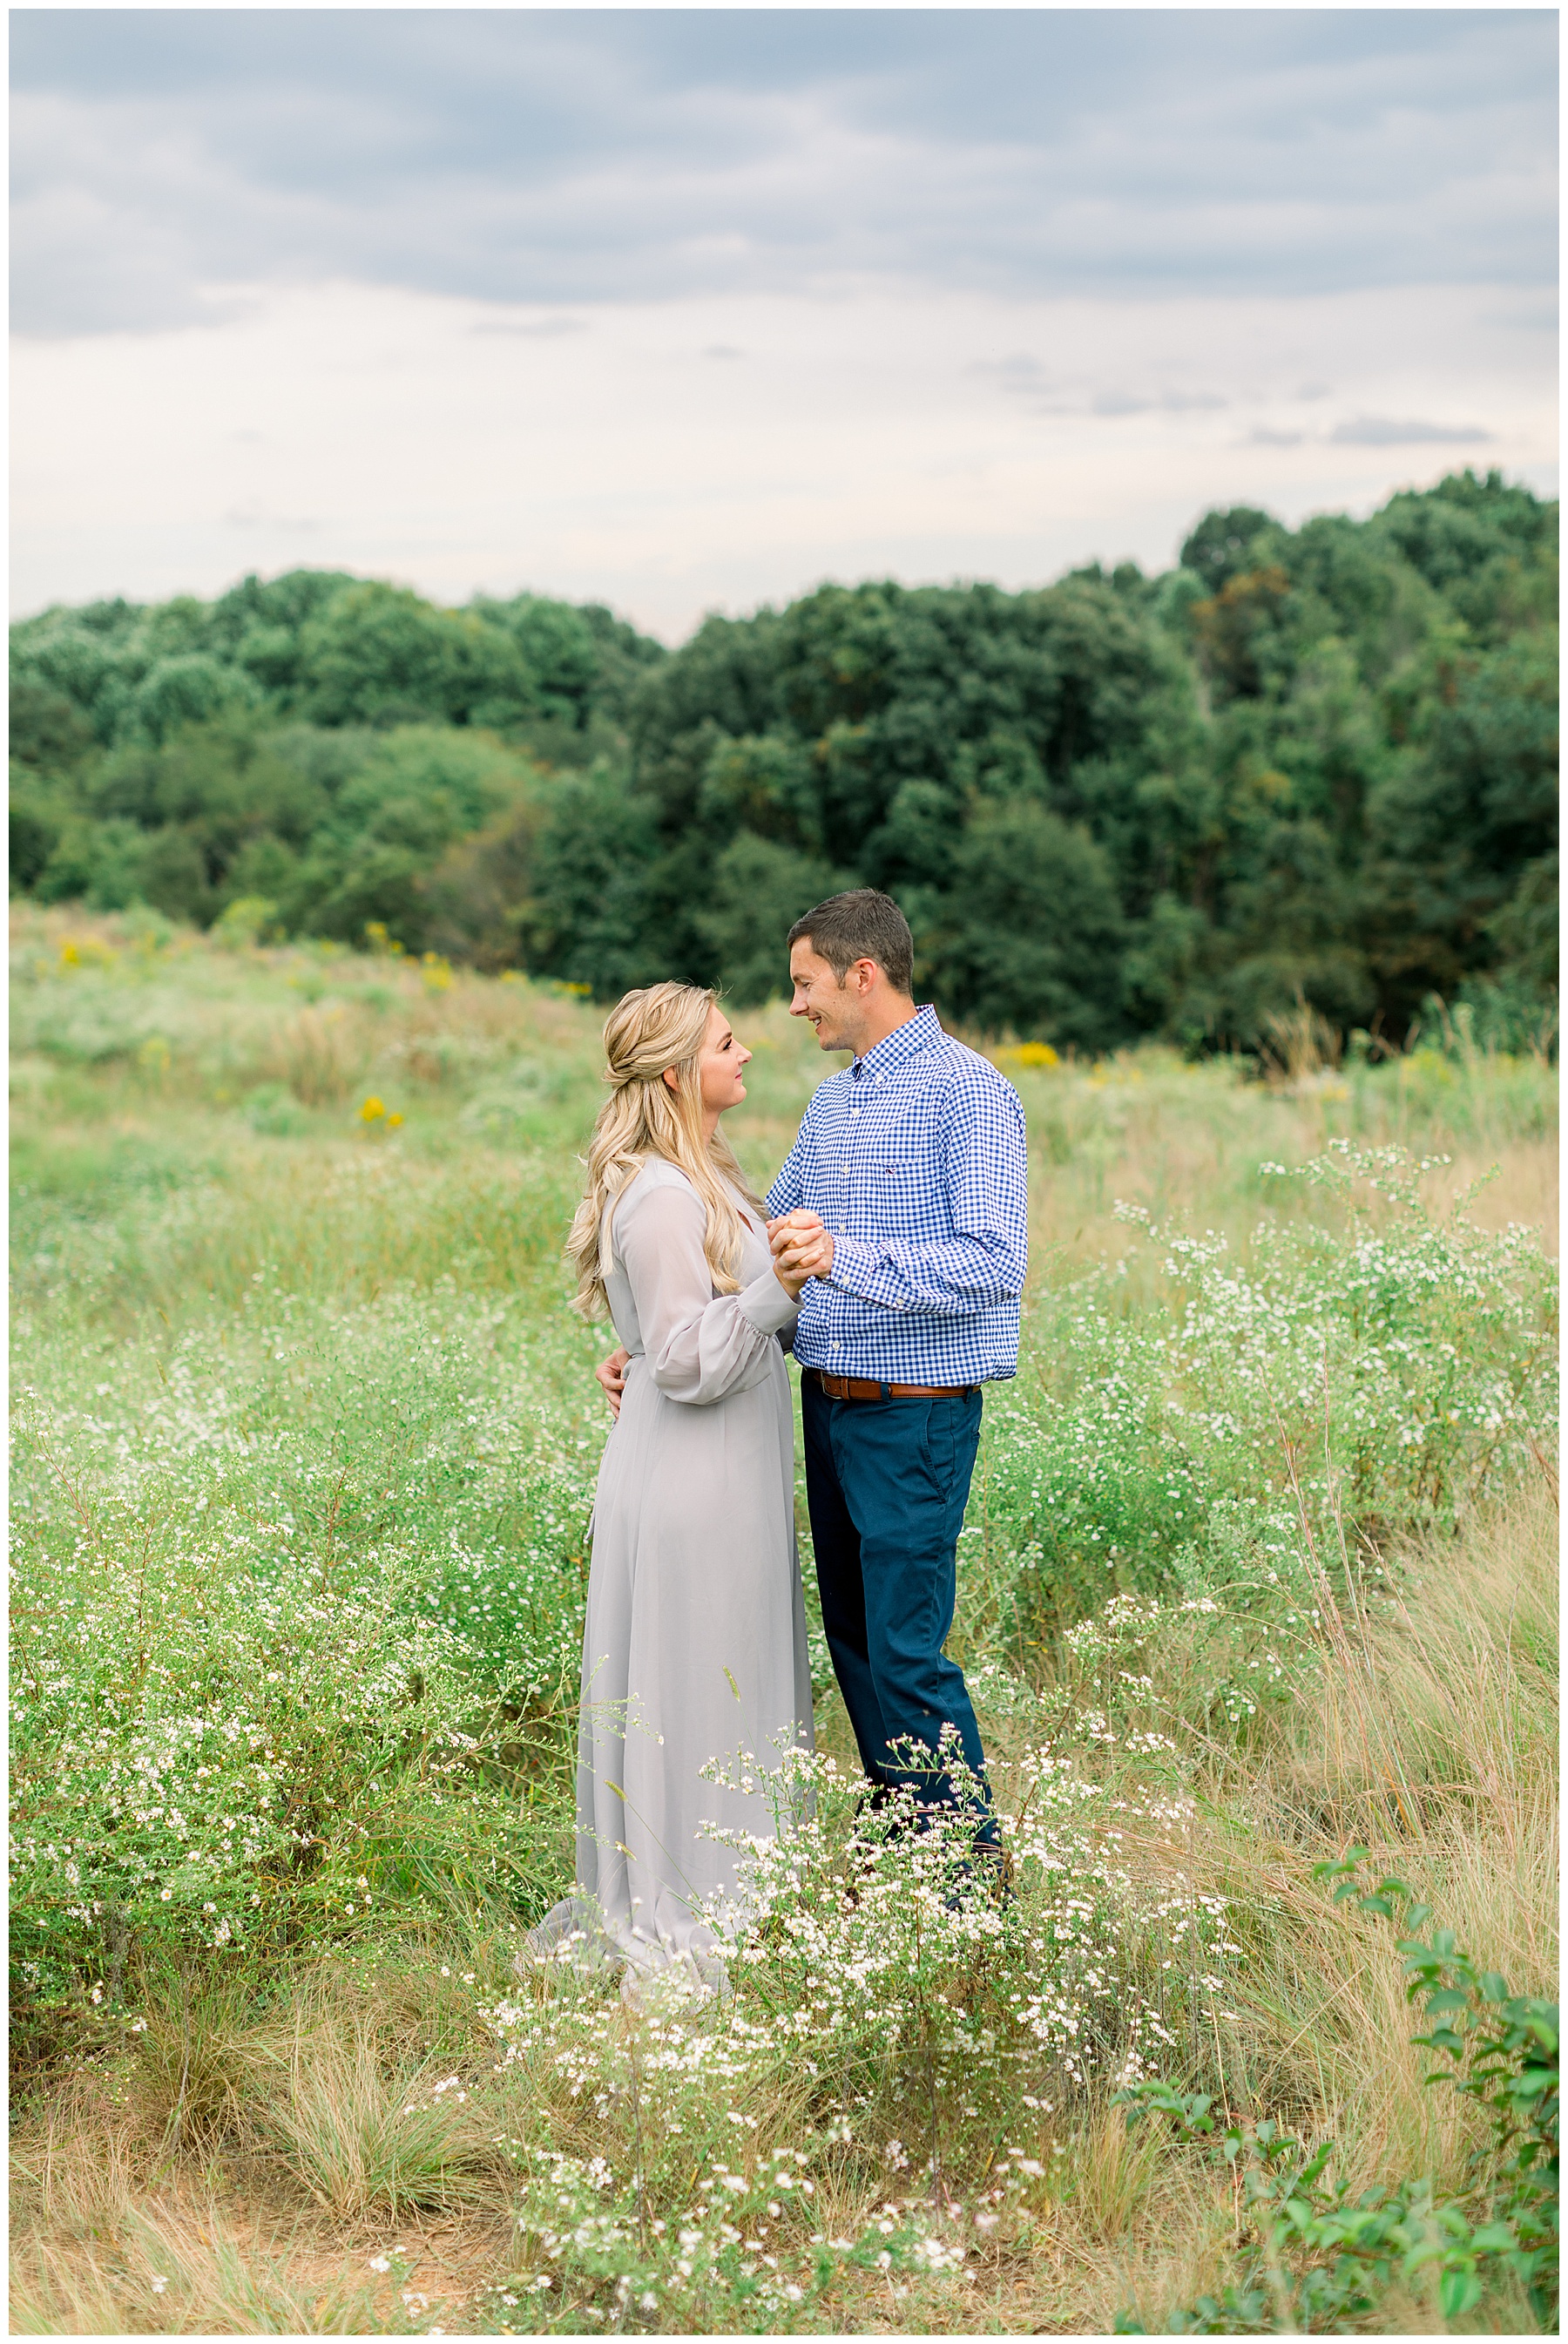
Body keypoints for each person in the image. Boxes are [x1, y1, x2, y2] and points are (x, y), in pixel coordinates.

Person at [599, 891, 1028, 1879]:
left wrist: (847, 1261)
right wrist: (651, 1345)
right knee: (856, 1649)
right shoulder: (838, 1100)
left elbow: (994, 1261)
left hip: (912, 1419)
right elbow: (754, 1238)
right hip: (824, 1411)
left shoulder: (970, 1092)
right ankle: (904, 1855)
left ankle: (969, 1874)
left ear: (860, 974)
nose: (793, 1006)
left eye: (803, 983)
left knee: (907, 1653)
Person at [526, 982, 814, 2003]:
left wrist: (641, 1347)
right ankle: (689, 1898)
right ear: (675, 1070)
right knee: (694, 1679)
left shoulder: (702, 1175)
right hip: (693, 1475)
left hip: (723, 1466)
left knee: (723, 1669)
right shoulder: (657, 1193)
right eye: (729, 1043)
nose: (749, 1054)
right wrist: (780, 1288)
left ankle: (745, 1885)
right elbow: (689, 1358)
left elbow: (664, 1331)